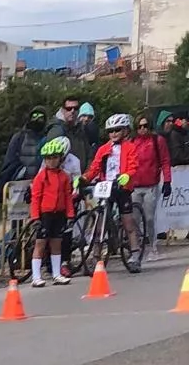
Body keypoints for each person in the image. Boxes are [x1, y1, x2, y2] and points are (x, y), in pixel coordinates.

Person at [83, 114, 143, 261]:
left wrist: (128, 175)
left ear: (125, 131)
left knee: (128, 222)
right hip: (106, 186)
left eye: (117, 130)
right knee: (100, 222)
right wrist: (85, 178)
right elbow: (95, 167)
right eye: (110, 131)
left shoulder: (130, 147)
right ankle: (96, 255)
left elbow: (134, 165)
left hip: (122, 187)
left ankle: (135, 254)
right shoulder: (103, 149)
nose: (113, 134)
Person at [28, 138, 76, 287]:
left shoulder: (64, 176)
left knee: (57, 244)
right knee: (40, 244)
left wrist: (70, 215)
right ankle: (36, 276)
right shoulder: (41, 177)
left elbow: (68, 197)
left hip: (59, 213)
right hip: (45, 214)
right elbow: (35, 198)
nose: (51, 161)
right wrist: (35, 217)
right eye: (48, 158)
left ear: (60, 158)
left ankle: (56, 274)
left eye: (55, 157)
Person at [127, 114, 172, 261]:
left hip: (151, 185)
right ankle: (137, 247)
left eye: (145, 126)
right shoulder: (132, 142)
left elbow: (165, 161)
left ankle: (152, 247)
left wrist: (167, 181)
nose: (142, 129)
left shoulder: (157, 140)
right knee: (134, 219)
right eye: (139, 126)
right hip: (134, 186)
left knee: (150, 218)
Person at [0, 106, 50, 193]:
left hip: (42, 185)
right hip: (19, 186)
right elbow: (9, 161)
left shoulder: (48, 138)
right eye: (34, 116)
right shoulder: (19, 137)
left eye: (40, 117)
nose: (37, 119)